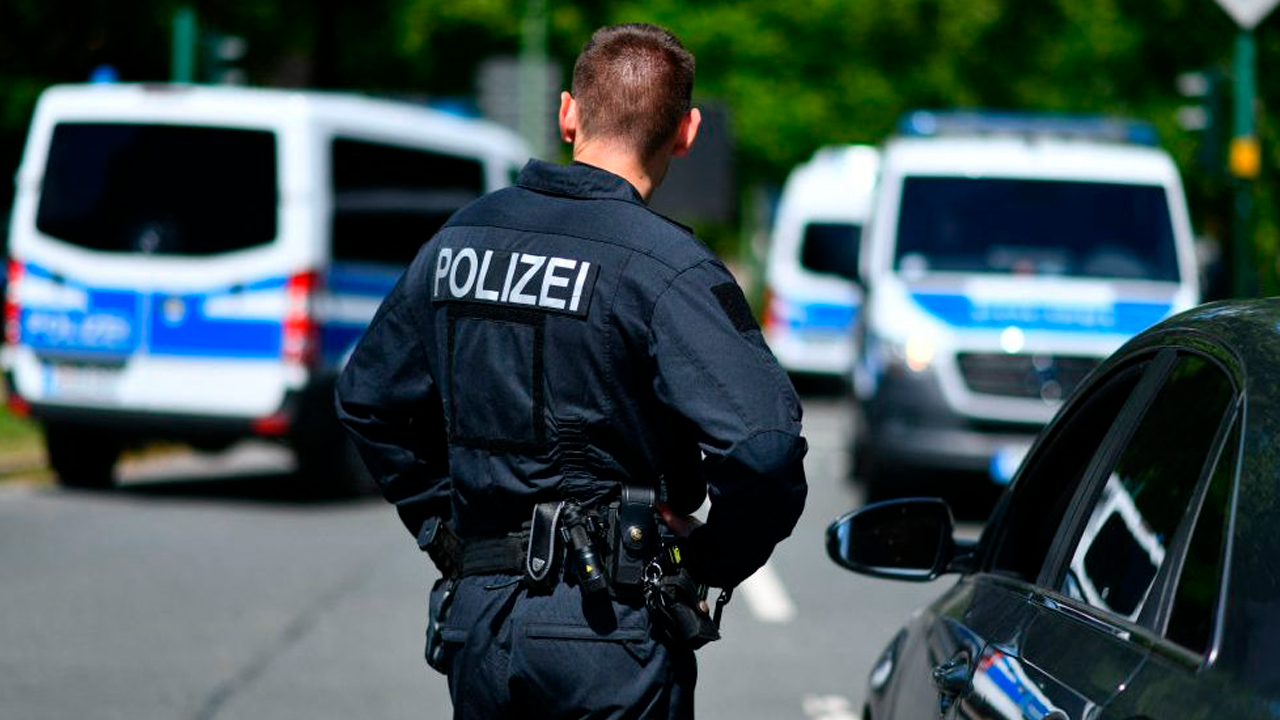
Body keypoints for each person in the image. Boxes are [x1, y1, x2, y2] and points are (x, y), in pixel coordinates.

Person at [335, 22, 807, 720]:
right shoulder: (668, 268)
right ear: (686, 132)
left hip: (480, 622)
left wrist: (444, 531)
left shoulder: (460, 239)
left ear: (567, 113)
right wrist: (707, 561)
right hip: (608, 631)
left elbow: (367, 398)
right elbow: (765, 451)